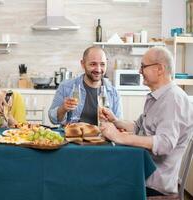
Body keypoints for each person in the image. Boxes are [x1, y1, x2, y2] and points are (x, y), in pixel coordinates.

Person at [100, 46, 193, 196]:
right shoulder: (156, 97)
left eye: (143, 66)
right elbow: (138, 127)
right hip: (141, 170)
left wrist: (119, 137)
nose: (139, 71)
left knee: (102, 184)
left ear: (160, 69)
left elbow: (164, 144)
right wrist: (115, 120)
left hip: (154, 182)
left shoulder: (173, 100)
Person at [48, 46, 122, 125]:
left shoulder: (113, 92)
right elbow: (53, 120)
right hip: (73, 135)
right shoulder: (66, 86)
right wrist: (63, 109)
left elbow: (119, 125)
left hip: (102, 136)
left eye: (102, 64)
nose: (98, 69)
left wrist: (112, 120)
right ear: (83, 64)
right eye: (93, 64)